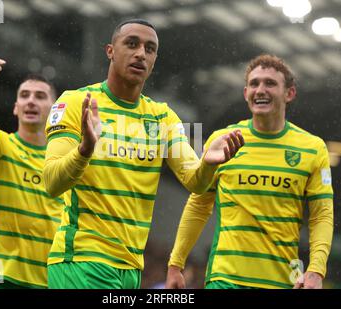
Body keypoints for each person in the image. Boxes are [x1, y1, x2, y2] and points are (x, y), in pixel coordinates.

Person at [42, 19, 244, 289]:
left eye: (150, 49)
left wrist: (207, 164)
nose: (141, 53)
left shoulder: (162, 117)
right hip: (81, 262)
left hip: (131, 269)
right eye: (132, 44)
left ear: (154, 60)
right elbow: (52, 182)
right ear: (110, 51)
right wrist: (84, 150)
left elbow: (195, 181)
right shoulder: (77, 102)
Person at [166, 54, 334, 289]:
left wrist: (316, 270)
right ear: (246, 93)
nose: (260, 90)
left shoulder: (313, 148)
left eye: (270, 83)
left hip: (282, 281)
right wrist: (175, 264)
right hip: (225, 279)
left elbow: (321, 215)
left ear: (290, 93)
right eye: (254, 84)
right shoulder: (223, 140)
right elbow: (199, 205)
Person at [0, 55, 64, 288]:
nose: (31, 101)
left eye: (40, 97)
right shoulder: (0, 146)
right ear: (15, 108)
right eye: (24, 96)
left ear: (54, 110)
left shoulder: (66, 165)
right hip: (4, 281)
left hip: (54, 284)